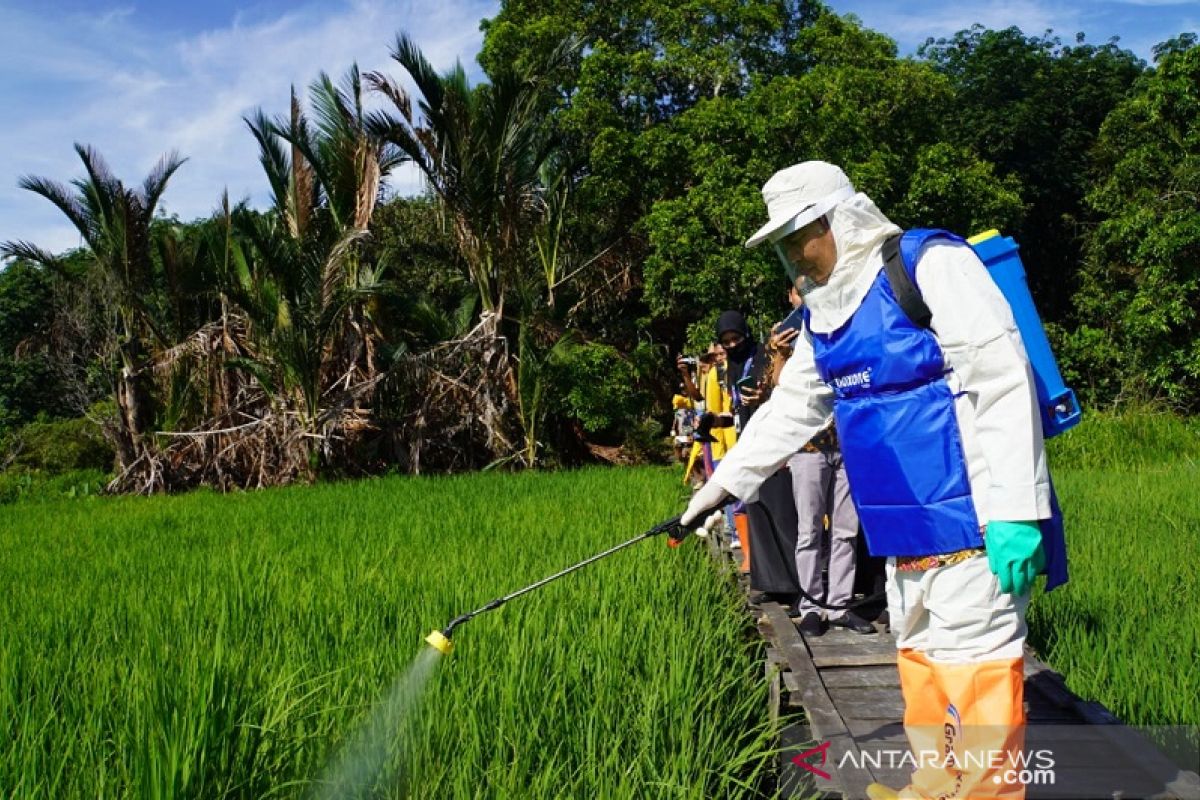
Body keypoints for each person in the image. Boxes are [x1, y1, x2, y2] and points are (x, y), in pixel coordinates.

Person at [681, 161, 1066, 800]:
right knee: (921, 658)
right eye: (782, 247)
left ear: (837, 220)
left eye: (799, 239)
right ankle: (935, 785)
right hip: (900, 528)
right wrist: (719, 490)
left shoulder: (928, 265)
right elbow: (791, 411)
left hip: (976, 518)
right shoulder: (823, 319)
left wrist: (1017, 512)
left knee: (976, 670)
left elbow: (1002, 378)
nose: (794, 259)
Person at [775, 287, 874, 637]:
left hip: (848, 445)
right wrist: (779, 355)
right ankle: (811, 607)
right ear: (791, 296)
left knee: (847, 530)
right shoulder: (785, 333)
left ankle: (840, 605)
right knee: (809, 530)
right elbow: (781, 390)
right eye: (801, 291)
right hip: (808, 447)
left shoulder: (846, 325)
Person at [716, 310, 800, 596]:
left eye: (735, 338)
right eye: (725, 341)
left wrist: (763, 394)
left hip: (774, 443)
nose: (731, 346)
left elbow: (782, 389)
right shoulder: (731, 368)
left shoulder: (763, 356)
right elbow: (736, 409)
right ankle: (767, 582)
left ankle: (792, 583)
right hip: (748, 444)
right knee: (758, 513)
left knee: (782, 513)